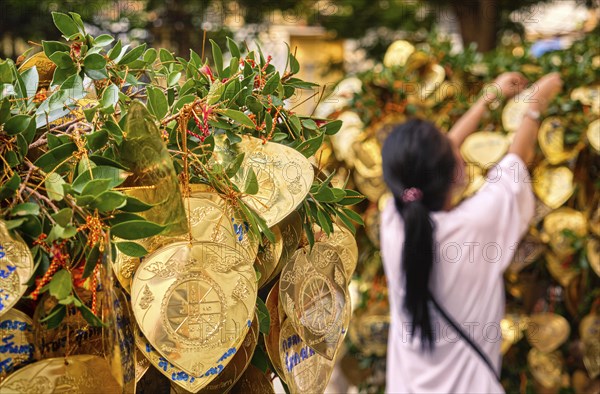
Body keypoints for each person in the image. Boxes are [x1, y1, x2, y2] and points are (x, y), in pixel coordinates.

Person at [380, 72, 563, 393]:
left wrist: (489, 97)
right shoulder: (474, 226)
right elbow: (516, 161)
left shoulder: (394, 222)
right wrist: (535, 102)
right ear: (455, 169)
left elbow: (433, 159)